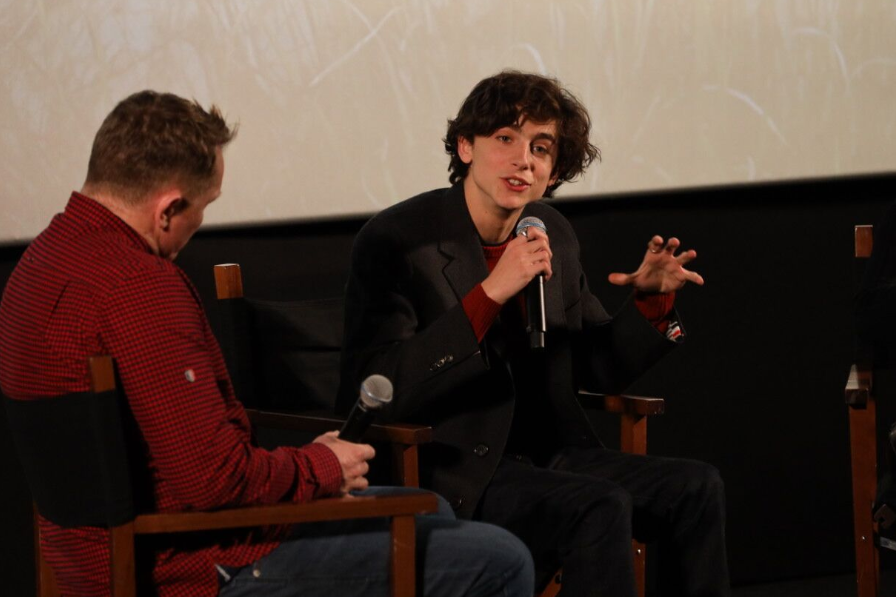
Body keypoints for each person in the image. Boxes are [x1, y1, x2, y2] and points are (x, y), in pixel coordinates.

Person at [0, 90, 534, 597]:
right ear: (167, 209)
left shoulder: (40, 264)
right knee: (500, 557)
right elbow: (212, 481)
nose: (199, 225)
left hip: (87, 559)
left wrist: (309, 463)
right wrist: (322, 467)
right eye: (202, 208)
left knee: (431, 509)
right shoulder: (139, 288)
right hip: (195, 568)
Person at [338, 71, 730, 597]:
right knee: (599, 505)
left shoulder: (549, 232)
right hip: (455, 465)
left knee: (696, 486)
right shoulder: (397, 240)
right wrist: (490, 294)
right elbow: (378, 384)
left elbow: (597, 368)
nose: (524, 159)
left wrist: (649, 304)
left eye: (541, 148)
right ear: (465, 146)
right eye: (506, 139)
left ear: (554, 169)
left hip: (551, 454)